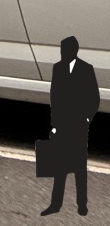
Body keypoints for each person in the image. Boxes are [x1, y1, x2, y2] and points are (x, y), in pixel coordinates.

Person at [43, 37, 99, 217]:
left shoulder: (86, 69)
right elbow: (54, 98)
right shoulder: (57, 68)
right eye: (62, 49)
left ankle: (82, 205)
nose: (62, 53)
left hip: (79, 126)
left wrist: (87, 120)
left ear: (73, 50)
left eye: (65, 49)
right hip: (62, 125)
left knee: (79, 168)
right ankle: (55, 204)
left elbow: (94, 98)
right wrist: (54, 125)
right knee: (59, 168)